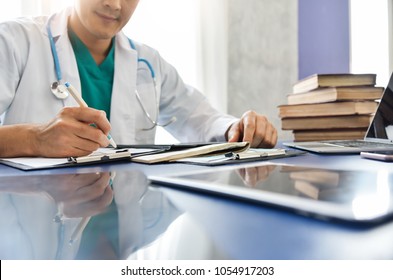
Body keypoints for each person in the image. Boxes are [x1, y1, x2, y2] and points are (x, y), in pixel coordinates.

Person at [0, 0, 277, 158]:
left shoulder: (148, 63)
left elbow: (200, 117)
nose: (114, 4)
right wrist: (34, 139)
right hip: (34, 222)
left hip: (120, 228)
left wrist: (236, 129)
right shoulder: (15, 41)